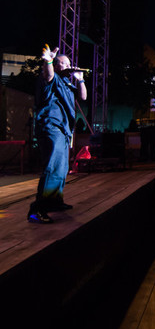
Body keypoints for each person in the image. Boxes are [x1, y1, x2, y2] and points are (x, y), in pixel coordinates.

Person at [28, 44, 86, 224]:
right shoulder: (50, 77)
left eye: (69, 63)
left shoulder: (67, 83)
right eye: (64, 63)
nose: (68, 65)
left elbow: (83, 97)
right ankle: (37, 210)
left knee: (61, 169)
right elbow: (49, 73)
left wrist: (81, 80)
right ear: (56, 64)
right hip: (50, 126)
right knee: (52, 167)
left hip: (63, 130)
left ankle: (55, 202)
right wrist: (48, 60)